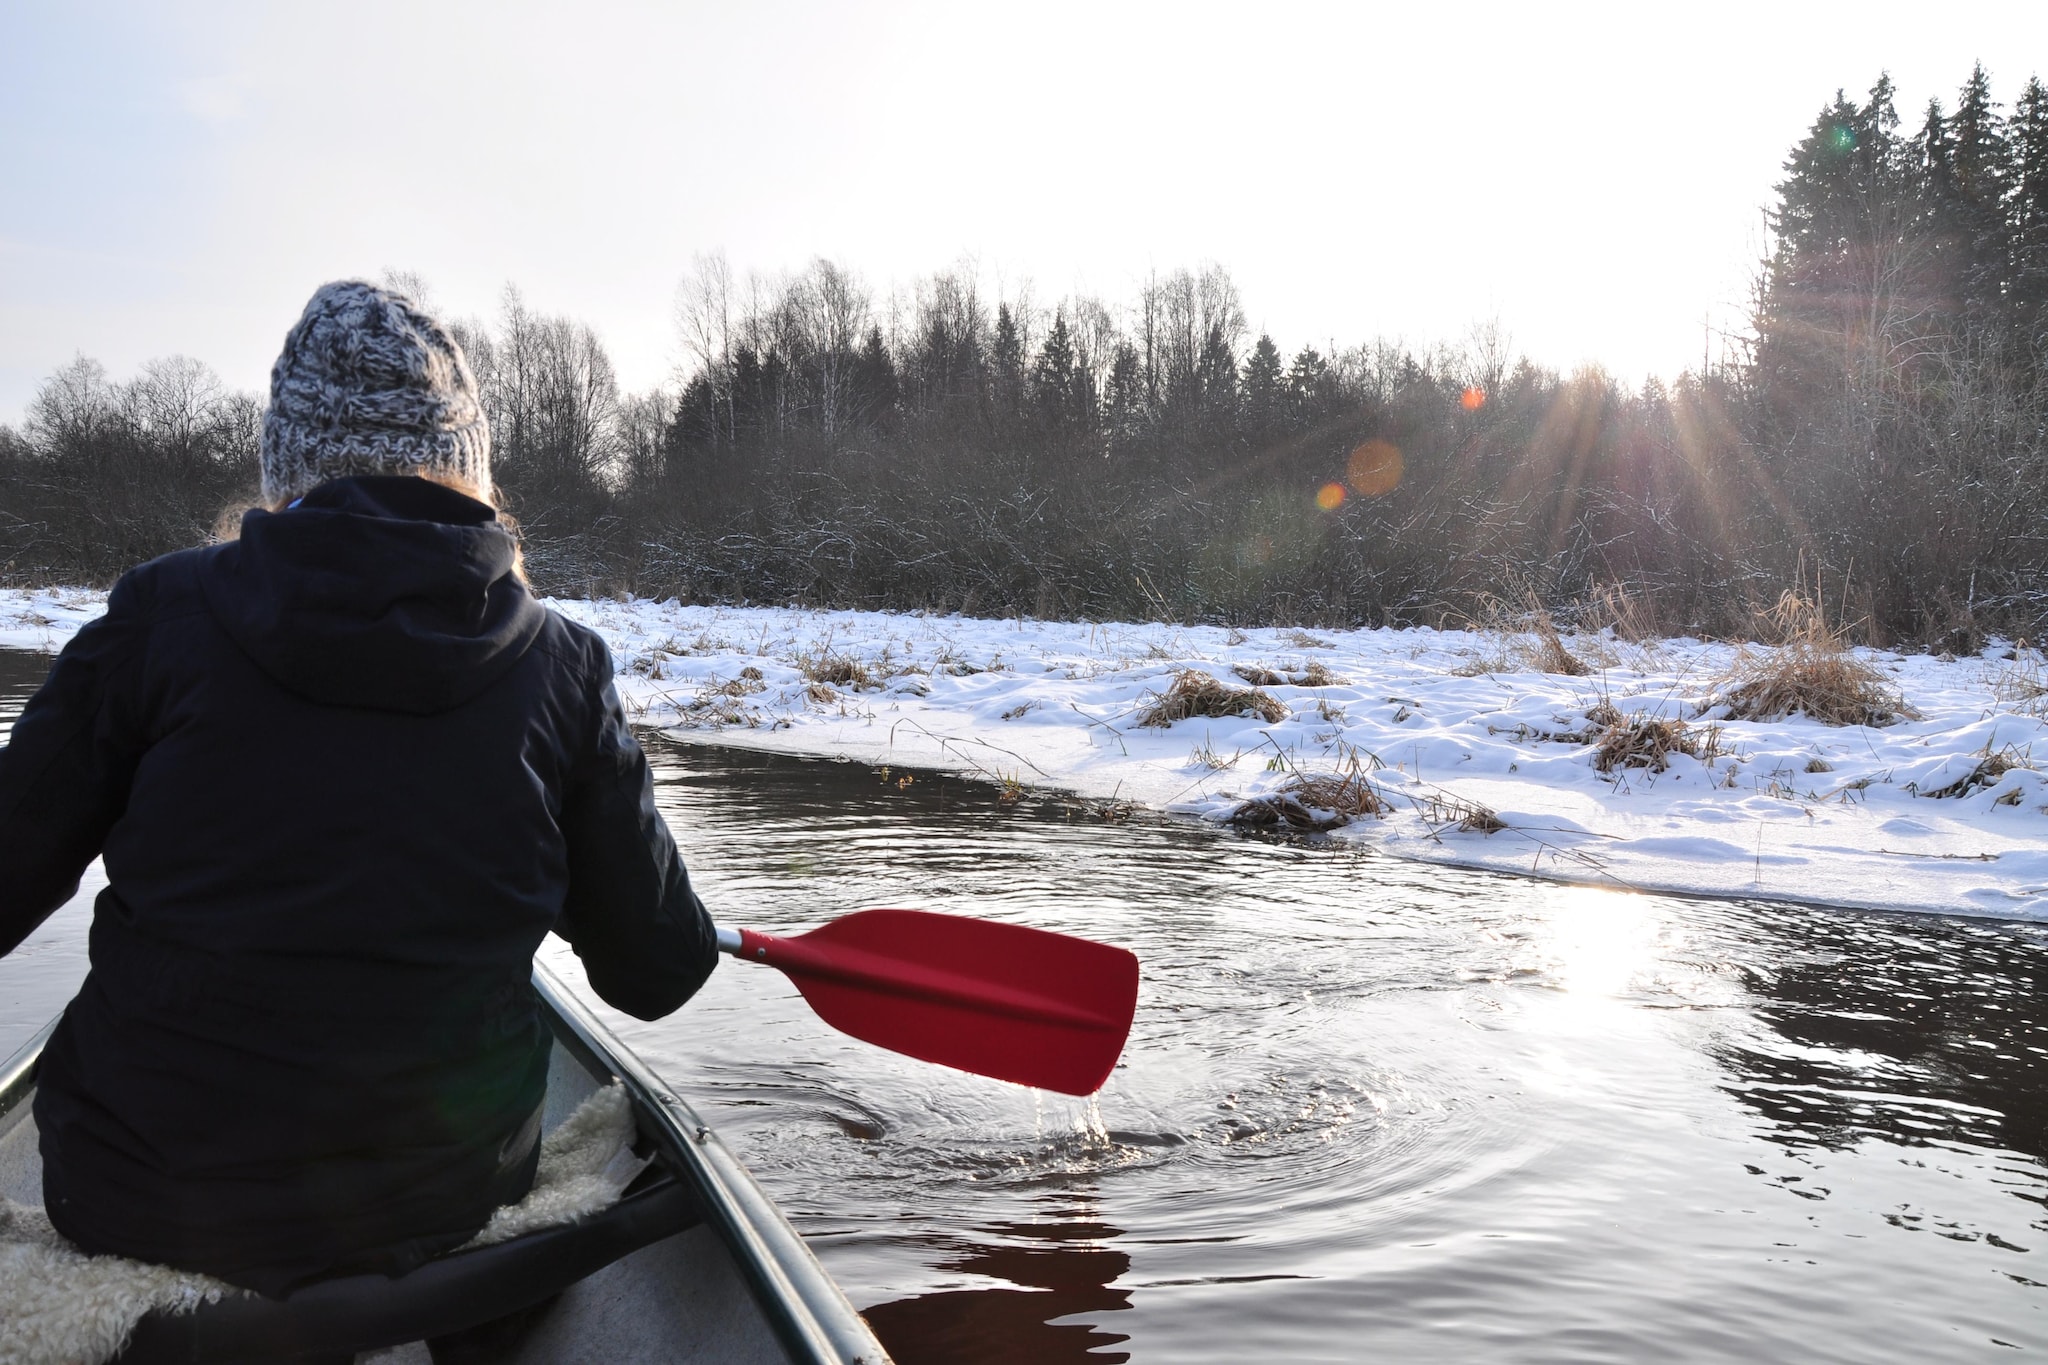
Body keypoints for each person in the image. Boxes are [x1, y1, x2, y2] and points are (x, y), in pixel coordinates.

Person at [0, 280, 718, 1297]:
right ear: (468, 467)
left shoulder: (159, 619)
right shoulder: (562, 668)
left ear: (284, 467)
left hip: (136, 1194)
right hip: (441, 1204)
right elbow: (661, 974)